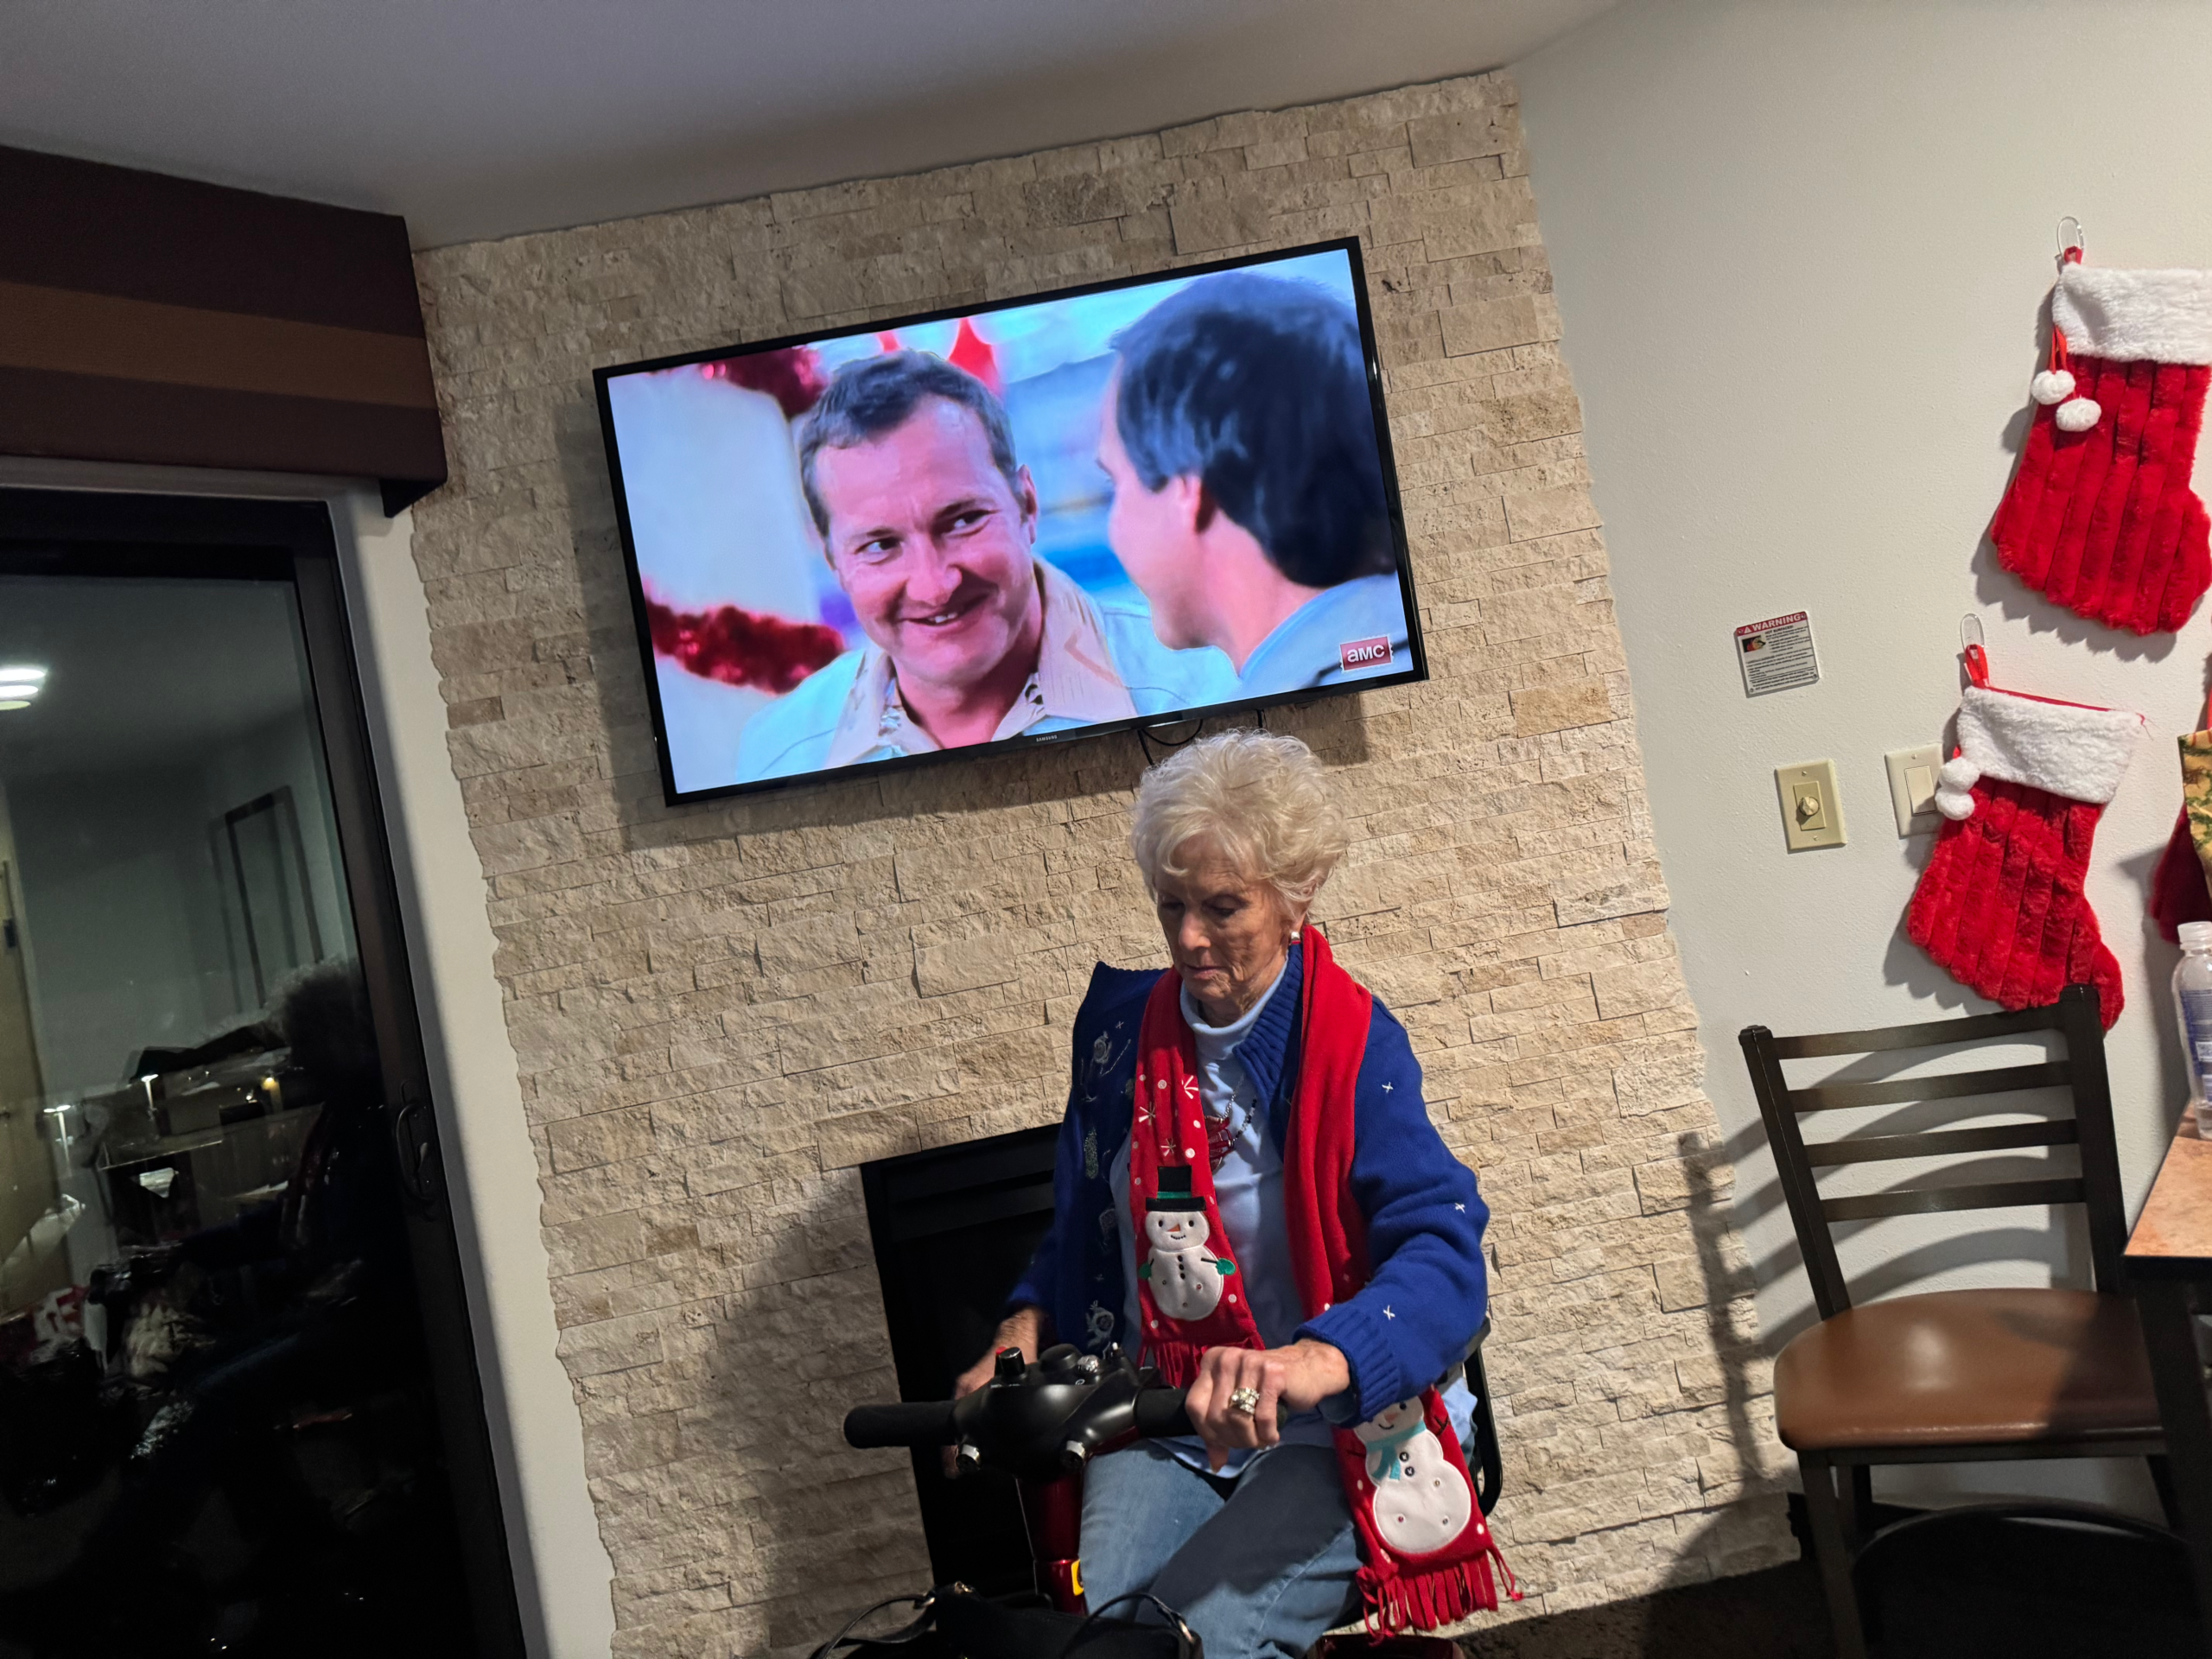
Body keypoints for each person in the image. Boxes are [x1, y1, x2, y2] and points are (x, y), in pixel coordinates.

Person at [957, 730, 1503, 1656]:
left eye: (1222, 907)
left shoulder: (1353, 1044)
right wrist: (1021, 1327)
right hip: (1162, 1414)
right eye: (1171, 906)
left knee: (1201, 1641)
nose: (1187, 939)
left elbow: (1443, 1255)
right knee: (1111, 1646)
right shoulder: (1119, 1038)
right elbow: (1090, 1230)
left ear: (1296, 898)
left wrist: (1319, 1360)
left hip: (1332, 1426)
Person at [734, 352, 1230, 782]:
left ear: (1027, 506)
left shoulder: (1204, 694)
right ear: (835, 564)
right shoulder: (779, 757)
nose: (934, 586)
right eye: (880, 545)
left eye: (963, 520)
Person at [1096, 273, 1413, 696]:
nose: (1113, 527)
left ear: (1187, 490)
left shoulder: (1297, 716)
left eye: (1115, 483)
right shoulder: (1408, 640)